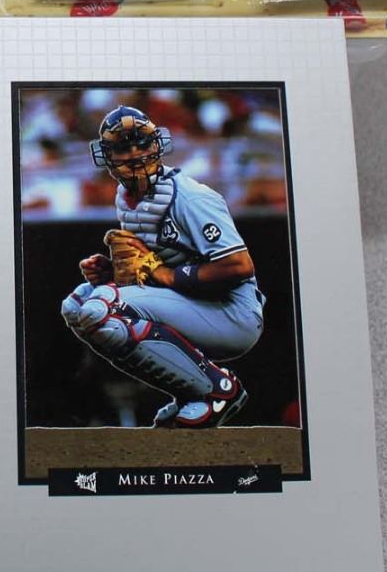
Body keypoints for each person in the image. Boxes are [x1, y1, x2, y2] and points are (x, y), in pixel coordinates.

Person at [61, 106, 263, 428]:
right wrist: (113, 273)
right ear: (107, 155)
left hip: (231, 312)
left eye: (141, 143)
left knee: (104, 310)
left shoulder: (191, 197)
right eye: (123, 147)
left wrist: (165, 275)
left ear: (157, 144)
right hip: (193, 302)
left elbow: (238, 266)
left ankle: (219, 389)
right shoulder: (127, 196)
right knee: (77, 305)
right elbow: (155, 266)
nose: (134, 153)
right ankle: (191, 393)